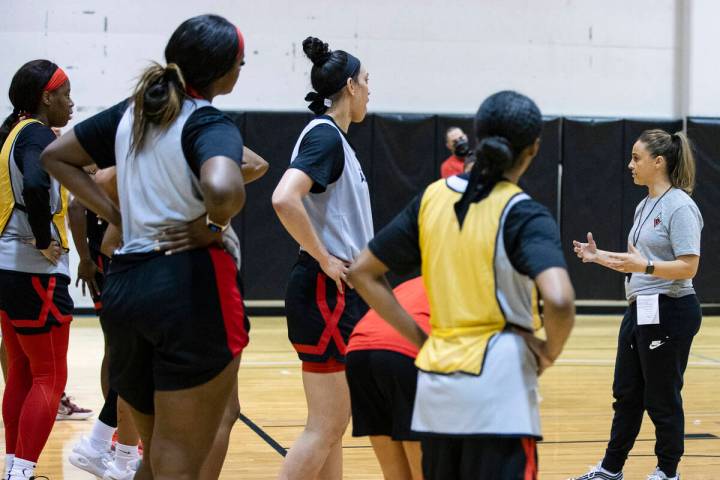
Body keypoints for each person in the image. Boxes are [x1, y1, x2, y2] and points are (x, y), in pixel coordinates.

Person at [41, 14, 263, 479]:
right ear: (222, 71)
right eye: (241, 63)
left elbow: (56, 157)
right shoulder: (206, 121)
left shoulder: (132, 111)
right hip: (188, 287)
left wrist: (119, 215)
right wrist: (214, 224)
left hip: (125, 284)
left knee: (158, 452)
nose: (242, 69)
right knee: (182, 456)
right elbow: (224, 187)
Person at [348, 90, 576, 480]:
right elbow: (558, 299)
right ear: (533, 149)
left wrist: (421, 341)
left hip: (437, 389)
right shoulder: (523, 212)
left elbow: (362, 272)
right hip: (499, 389)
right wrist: (548, 352)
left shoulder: (431, 199)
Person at [570, 129, 703, 480]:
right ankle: (611, 470)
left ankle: (667, 471)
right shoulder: (644, 205)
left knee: (661, 396)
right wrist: (597, 257)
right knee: (627, 393)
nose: (630, 164)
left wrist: (643, 266)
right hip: (640, 309)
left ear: (658, 162)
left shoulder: (681, 206)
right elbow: (635, 261)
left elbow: (689, 266)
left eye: (636, 158)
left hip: (671, 310)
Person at [271, 36, 372, 480]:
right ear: (350, 87)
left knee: (331, 426)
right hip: (324, 289)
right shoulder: (326, 137)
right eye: (367, 81)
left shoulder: (334, 141)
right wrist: (326, 259)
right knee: (326, 425)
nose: (370, 89)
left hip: (335, 291)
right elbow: (283, 198)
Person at [0, 59, 74, 480]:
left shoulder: (11, 133)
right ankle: (21, 473)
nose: (71, 102)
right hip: (33, 270)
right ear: (46, 97)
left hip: (6, 269)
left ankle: (13, 468)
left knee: (22, 373)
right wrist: (45, 239)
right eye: (65, 94)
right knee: (50, 376)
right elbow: (33, 184)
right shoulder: (36, 135)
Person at [66, 166, 142, 480]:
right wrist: (85, 258)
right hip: (112, 267)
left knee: (122, 351)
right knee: (128, 355)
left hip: (109, 264)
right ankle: (112, 442)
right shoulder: (108, 166)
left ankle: (109, 439)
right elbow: (74, 205)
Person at [345, 276, 430, 480]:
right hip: (405, 352)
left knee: (394, 475)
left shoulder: (417, 281)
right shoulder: (480, 287)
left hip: (358, 351)